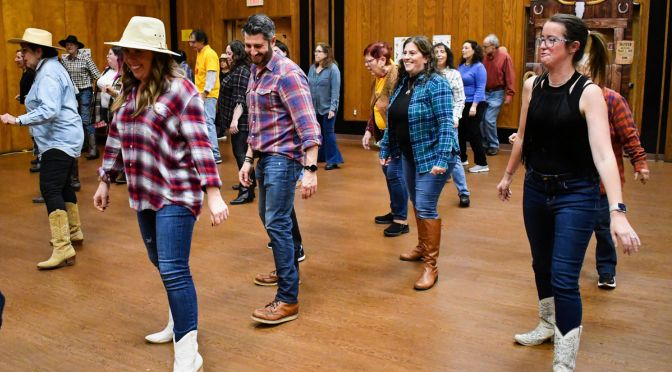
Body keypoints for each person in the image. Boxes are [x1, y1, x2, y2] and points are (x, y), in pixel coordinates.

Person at [496, 14, 641, 371]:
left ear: (573, 48)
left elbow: (605, 154)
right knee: (541, 265)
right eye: (541, 40)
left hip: (576, 193)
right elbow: (524, 136)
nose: (542, 46)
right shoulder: (534, 86)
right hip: (536, 189)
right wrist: (508, 175)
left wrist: (617, 212)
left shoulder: (589, 93)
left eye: (551, 40)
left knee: (564, 277)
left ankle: (565, 359)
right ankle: (547, 325)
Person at [93, 16, 228, 371]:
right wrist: (106, 179)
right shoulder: (129, 92)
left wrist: (213, 192)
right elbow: (116, 139)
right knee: (161, 263)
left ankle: (188, 351)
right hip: (143, 191)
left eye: (140, 53)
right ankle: (176, 321)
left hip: (177, 192)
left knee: (173, 269)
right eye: (127, 53)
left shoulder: (180, 91)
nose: (132, 59)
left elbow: (200, 143)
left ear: (158, 55)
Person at [239, 14, 321, 325]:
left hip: (283, 158)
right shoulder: (255, 70)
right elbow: (257, 122)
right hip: (262, 155)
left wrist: (310, 169)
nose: (252, 51)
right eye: (248, 45)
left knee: (275, 221)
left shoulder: (287, 74)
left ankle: (288, 299)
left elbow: (309, 126)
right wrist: (248, 159)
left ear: (273, 41)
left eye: (258, 46)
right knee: (273, 217)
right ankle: (290, 258)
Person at [379, 36, 459, 290]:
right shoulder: (404, 82)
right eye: (405, 53)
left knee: (425, 206)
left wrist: (442, 157)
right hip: (408, 155)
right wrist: (386, 147)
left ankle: (430, 266)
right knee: (416, 202)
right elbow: (394, 120)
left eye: (413, 53)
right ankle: (422, 246)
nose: (407, 57)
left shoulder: (437, 84)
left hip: (432, 156)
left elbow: (447, 123)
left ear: (426, 57)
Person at [2, 28, 85, 270]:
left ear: (39, 51)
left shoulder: (48, 73)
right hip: (65, 137)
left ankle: (62, 247)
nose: (22, 56)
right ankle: (74, 232)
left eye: (25, 52)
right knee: (62, 185)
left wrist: (18, 120)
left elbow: (50, 110)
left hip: (59, 139)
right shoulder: (52, 68)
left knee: (49, 188)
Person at [362, 41, 410, 237]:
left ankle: (401, 220)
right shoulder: (378, 78)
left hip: (397, 135)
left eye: (369, 61)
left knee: (395, 173)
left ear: (382, 59)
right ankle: (395, 210)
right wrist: (368, 130)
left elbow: (397, 108)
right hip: (383, 135)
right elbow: (375, 107)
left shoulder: (397, 76)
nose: (366, 65)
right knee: (388, 172)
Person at [218, 40, 255, 205]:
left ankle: (246, 191)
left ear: (237, 54)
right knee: (241, 155)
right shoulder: (238, 69)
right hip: (239, 121)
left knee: (241, 155)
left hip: (241, 122)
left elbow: (240, 100)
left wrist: (234, 121)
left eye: (230, 53)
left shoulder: (241, 71)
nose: (227, 56)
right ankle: (246, 182)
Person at [434, 42, 471, 208]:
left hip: (449, 122)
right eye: (436, 52)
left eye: (442, 51)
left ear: (447, 54)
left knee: (454, 158)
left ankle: (464, 192)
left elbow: (460, 99)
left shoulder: (454, 74)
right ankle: (429, 195)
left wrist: (455, 117)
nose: (439, 54)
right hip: (431, 122)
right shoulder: (429, 74)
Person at [59, 34, 101, 160]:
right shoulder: (65, 61)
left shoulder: (85, 58)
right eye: (67, 45)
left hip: (85, 92)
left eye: (71, 44)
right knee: (76, 119)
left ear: (77, 46)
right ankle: (82, 145)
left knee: (85, 119)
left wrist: (96, 89)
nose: (69, 46)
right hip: (72, 94)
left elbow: (96, 74)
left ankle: (94, 149)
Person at [189, 29, 222, 164]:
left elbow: (211, 75)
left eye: (193, 42)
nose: (191, 44)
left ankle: (215, 153)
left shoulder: (210, 54)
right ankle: (208, 151)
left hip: (208, 95)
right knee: (204, 122)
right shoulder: (200, 52)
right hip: (201, 94)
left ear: (201, 41)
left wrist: (205, 94)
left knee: (208, 122)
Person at [309, 42, 344, 170]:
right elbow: (308, 87)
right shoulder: (313, 68)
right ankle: (322, 156)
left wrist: (333, 108)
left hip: (328, 108)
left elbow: (335, 90)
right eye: (315, 51)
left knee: (328, 133)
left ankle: (333, 160)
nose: (316, 54)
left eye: (319, 51)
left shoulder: (333, 69)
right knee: (318, 133)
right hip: (314, 108)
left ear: (326, 54)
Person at [481, 34, 516, 156]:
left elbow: (510, 76)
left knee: (489, 119)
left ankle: (494, 145)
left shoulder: (504, 57)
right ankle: (485, 144)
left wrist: (510, 94)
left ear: (493, 46)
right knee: (481, 120)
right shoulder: (484, 57)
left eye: (485, 46)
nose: (483, 49)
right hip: (484, 92)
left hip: (497, 92)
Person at [457, 40, 489, 173]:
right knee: (460, 132)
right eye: (462, 48)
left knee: (473, 133)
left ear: (474, 51)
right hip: (462, 102)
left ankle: (482, 163)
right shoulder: (461, 66)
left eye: (466, 48)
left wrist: (474, 106)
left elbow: (481, 88)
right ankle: (462, 158)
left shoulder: (479, 67)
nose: (463, 50)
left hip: (476, 103)